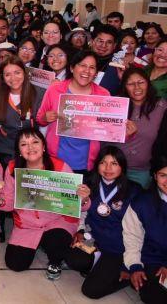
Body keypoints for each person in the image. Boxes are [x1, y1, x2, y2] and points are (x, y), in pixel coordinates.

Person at [0, 127, 91, 279]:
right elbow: (7, 204)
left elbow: (78, 205)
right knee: (15, 263)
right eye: (24, 144)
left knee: (58, 245)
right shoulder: (11, 168)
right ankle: (42, 242)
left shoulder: (60, 166)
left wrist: (84, 198)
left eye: (35, 142)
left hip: (57, 221)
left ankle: (55, 259)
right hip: (27, 225)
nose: (30, 147)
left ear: (43, 146)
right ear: (19, 150)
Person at [65, 146, 140, 299]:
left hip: (117, 249)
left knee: (91, 291)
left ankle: (120, 275)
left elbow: (137, 231)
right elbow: (82, 213)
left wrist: (128, 265)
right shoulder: (89, 184)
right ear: (97, 165)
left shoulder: (133, 191)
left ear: (122, 166)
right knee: (73, 259)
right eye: (103, 162)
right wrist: (81, 231)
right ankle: (96, 262)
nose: (108, 168)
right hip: (93, 240)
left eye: (114, 163)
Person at [37, 51, 110, 173]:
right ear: (71, 68)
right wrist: (45, 118)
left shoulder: (103, 94)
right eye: (82, 65)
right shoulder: (55, 89)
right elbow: (39, 119)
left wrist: (121, 128)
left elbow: (109, 129)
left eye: (92, 67)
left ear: (96, 73)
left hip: (86, 163)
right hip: (56, 160)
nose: (87, 71)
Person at [122, 152, 167, 304]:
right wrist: (135, 266)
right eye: (163, 175)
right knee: (152, 295)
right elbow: (132, 237)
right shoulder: (141, 202)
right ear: (155, 176)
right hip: (152, 260)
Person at [116, 68, 167, 188]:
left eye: (141, 82)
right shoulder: (116, 104)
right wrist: (124, 135)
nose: (137, 87)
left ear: (148, 83)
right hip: (113, 168)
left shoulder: (161, 106)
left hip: (141, 171)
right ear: (124, 87)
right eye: (130, 84)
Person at [0, 57, 44, 166]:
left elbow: (44, 123)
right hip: (7, 151)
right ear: (2, 77)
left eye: (17, 73)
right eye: (7, 75)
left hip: (34, 151)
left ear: (24, 73)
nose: (13, 78)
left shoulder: (39, 93)